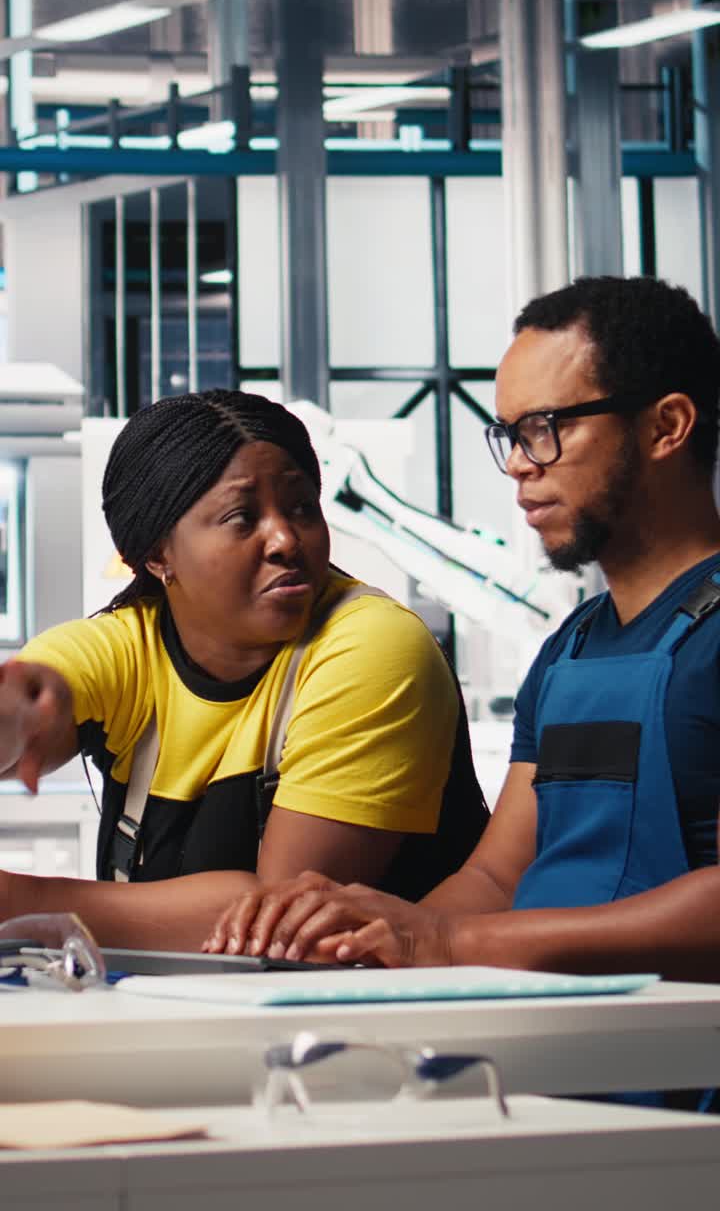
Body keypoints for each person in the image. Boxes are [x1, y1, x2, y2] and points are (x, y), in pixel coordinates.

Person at [203, 276, 720, 988]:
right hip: (560, 1051)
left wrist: (451, 941)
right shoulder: (570, 650)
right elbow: (496, 875)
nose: (516, 463)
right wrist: (373, 939)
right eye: (509, 434)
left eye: (545, 429)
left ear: (667, 426)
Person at [0, 389, 488, 948]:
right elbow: (40, 694)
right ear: (157, 555)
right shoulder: (133, 642)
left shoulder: (375, 647)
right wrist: (17, 717)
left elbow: (279, 918)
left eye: (302, 506)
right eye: (242, 517)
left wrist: (17, 903)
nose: (285, 539)